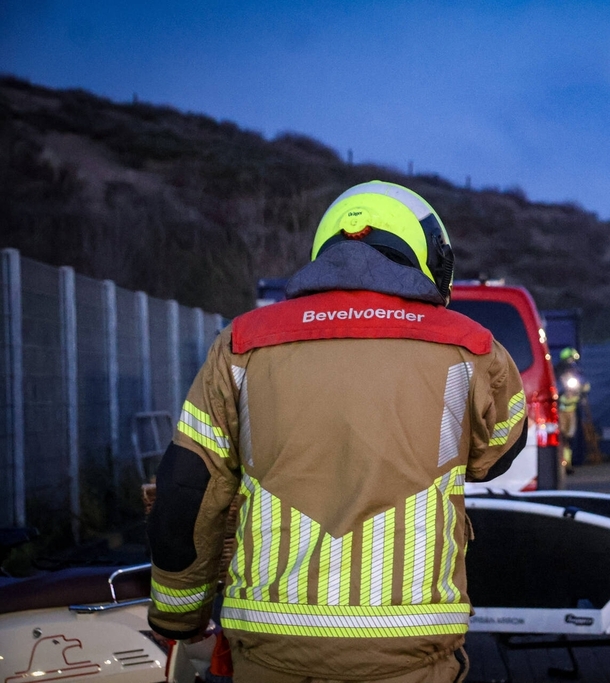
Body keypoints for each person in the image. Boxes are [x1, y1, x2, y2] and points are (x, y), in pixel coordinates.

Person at [146, 181, 528, 682]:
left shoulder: (241, 344)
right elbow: (498, 452)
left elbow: (187, 489)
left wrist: (178, 615)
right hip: (411, 645)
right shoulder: (471, 347)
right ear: (427, 255)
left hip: (270, 643)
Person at [554, 347, 588, 474]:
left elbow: (584, 386)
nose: (571, 364)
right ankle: (562, 464)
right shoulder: (557, 373)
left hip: (572, 411)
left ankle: (567, 463)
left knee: (569, 438)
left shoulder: (576, 373)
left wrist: (582, 392)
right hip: (560, 411)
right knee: (562, 438)